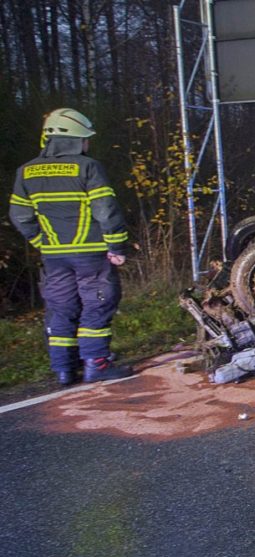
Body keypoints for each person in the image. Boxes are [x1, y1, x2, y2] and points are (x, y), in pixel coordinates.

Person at [9, 108, 134, 385]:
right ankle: (96, 363)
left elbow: (19, 216)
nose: (87, 144)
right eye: (85, 139)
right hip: (91, 253)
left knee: (62, 308)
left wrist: (42, 242)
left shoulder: (25, 172)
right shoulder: (87, 167)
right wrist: (116, 246)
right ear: (76, 140)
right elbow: (105, 209)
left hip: (54, 257)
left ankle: (64, 369)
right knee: (97, 303)